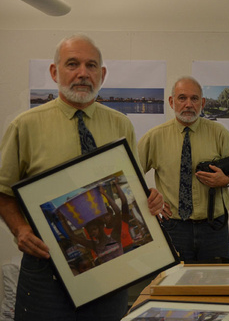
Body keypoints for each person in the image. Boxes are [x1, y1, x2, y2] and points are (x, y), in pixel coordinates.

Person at [0, 34, 164, 321]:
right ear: (55, 72)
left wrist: (149, 201)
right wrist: (21, 230)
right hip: (46, 269)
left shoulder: (120, 124)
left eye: (91, 66)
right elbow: (2, 191)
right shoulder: (24, 125)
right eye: (72, 64)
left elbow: (132, 187)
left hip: (110, 271)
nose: (82, 73)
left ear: (101, 74)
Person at [138, 76, 229, 263]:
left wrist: (225, 181)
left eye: (194, 99)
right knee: (172, 288)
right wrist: (149, 196)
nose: (188, 104)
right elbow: (131, 175)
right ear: (171, 102)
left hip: (214, 228)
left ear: (202, 102)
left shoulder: (219, 133)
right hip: (173, 228)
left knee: (216, 287)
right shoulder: (154, 137)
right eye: (182, 98)